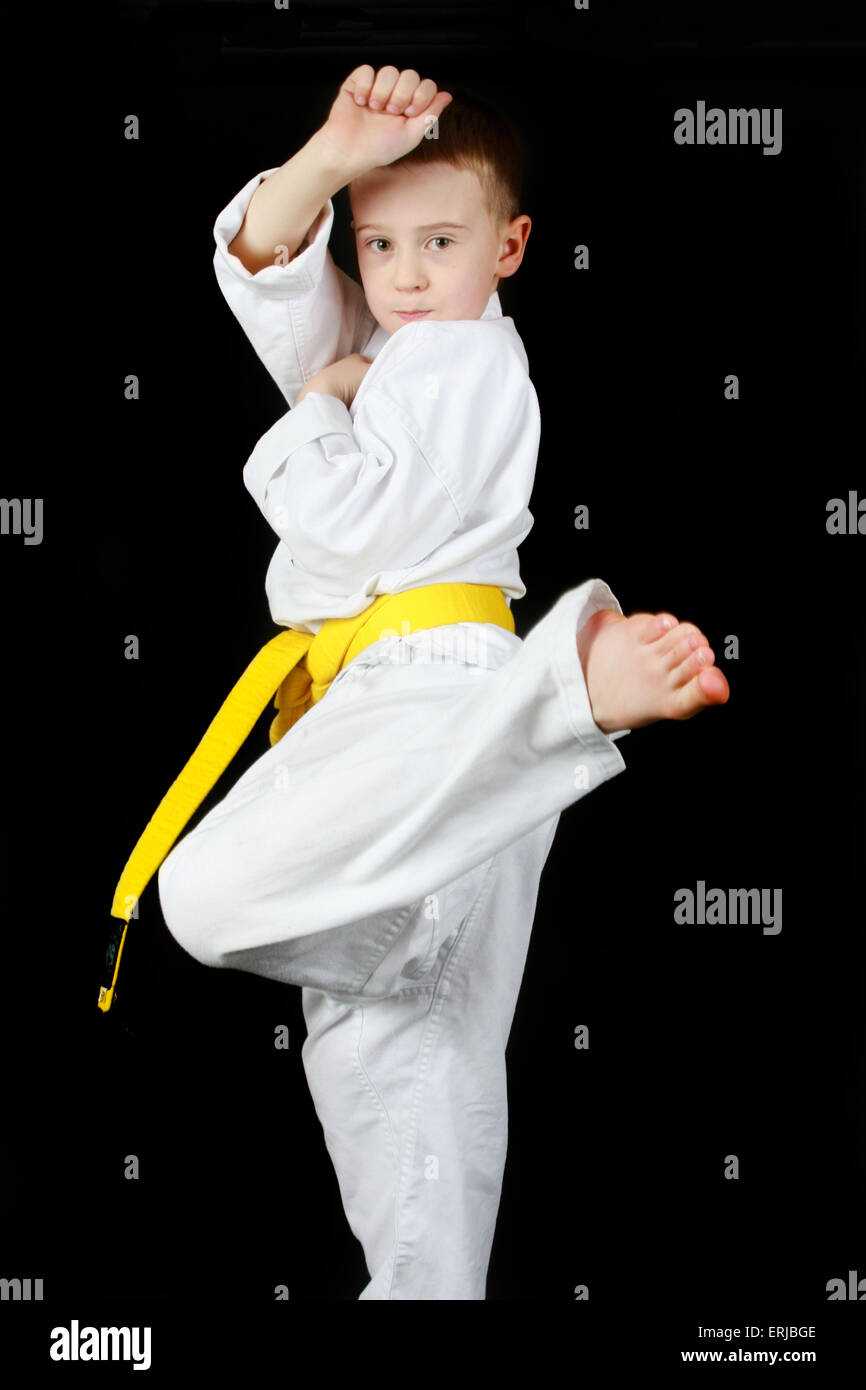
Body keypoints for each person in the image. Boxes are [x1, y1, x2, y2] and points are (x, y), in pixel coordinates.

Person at [157, 64, 730, 1300]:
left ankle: (567, 697)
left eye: (437, 240)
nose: (405, 274)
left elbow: (352, 530)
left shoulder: (460, 363)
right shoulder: (399, 346)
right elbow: (266, 268)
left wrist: (314, 409)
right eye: (375, 243)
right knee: (411, 1130)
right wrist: (326, 157)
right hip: (383, 713)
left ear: (509, 245)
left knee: (205, 897)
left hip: (436, 696)